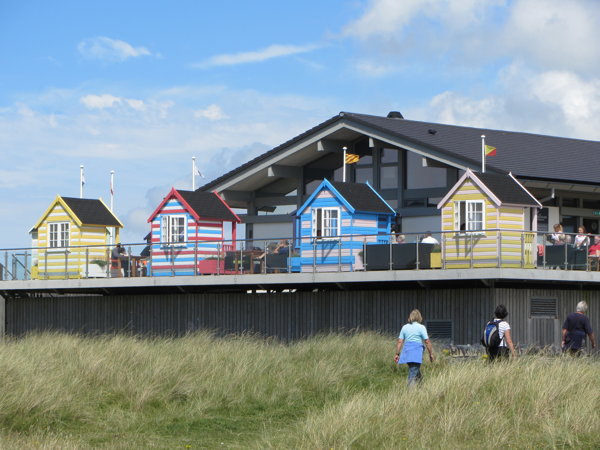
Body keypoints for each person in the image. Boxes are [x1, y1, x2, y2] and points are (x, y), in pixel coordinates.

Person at [394, 309, 434, 386]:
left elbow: (400, 341)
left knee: (415, 370)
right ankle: (410, 394)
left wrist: (397, 354)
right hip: (416, 352)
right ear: (419, 317)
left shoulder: (405, 327)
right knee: (413, 372)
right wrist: (431, 354)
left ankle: (421, 388)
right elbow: (427, 341)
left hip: (407, 353)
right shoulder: (421, 327)